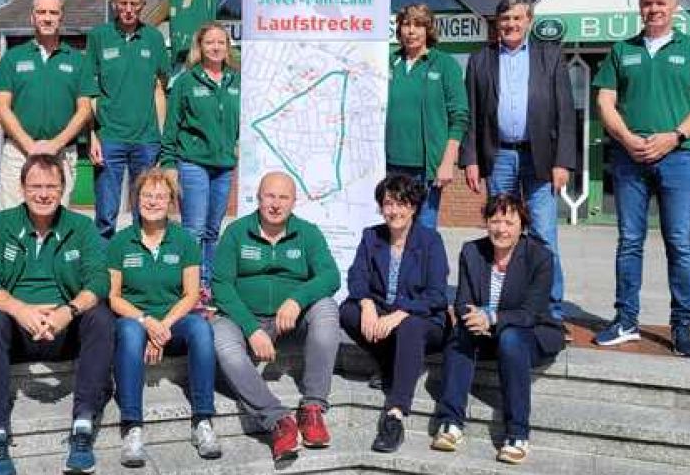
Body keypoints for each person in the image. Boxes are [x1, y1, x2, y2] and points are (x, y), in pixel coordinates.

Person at [592, 0, 690, 358]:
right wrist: (627, 138)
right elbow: (604, 101)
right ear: (639, 6)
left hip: (678, 158)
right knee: (629, 242)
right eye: (647, 3)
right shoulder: (622, 50)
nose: (653, 9)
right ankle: (626, 321)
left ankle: (682, 326)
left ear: (674, 7)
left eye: (661, 3)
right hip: (629, 158)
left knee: (679, 243)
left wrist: (675, 136)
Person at [0, 154, 113, 475]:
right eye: (35, 186)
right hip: (17, 327)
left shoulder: (81, 227)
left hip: (65, 327)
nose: (44, 194)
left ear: (64, 188)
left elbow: (99, 280)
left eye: (52, 186)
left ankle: (83, 425)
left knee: (101, 318)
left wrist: (68, 311)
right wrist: (19, 309)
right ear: (22, 188)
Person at [460, 0, 576, 325]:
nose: (510, 24)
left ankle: (550, 311)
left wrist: (563, 161)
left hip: (540, 156)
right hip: (499, 158)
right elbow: (472, 113)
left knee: (543, 235)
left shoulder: (550, 56)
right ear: (497, 23)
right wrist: (471, 159)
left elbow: (566, 113)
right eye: (505, 18)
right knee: (500, 230)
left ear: (528, 22)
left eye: (517, 18)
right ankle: (499, 304)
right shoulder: (480, 59)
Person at [210, 171, 341, 463]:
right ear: (258, 198)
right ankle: (278, 419)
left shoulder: (308, 233)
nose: (276, 204)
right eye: (270, 196)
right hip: (243, 318)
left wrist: (297, 300)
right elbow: (220, 285)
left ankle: (313, 409)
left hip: (290, 323)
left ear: (294, 202)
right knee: (222, 341)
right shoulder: (236, 232)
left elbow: (331, 276)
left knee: (327, 309)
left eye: (284, 197)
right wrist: (251, 328)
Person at [430, 194, 564, 465]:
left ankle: (517, 433)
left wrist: (490, 317)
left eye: (509, 222)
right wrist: (474, 317)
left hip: (529, 333)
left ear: (522, 225)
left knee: (511, 338)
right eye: (495, 220)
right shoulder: (472, 251)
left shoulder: (541, 257)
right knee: (460, 334)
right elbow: (463, 302)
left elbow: (531, 313)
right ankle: (450, 422)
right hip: (485, 331)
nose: (501, 228)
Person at [106, 168, 221, 467]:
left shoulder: (184, 241)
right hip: (135, 319)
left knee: (201, 329)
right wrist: (147, 322)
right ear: (136, 200)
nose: (153, 202)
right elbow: (114, 296)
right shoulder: (120, 242)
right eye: (147, 195)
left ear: (171, 202)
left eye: (160, 196)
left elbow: (192, 294)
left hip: (173, 320)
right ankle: (132, 427)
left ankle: (203, 421)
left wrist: (163, 327)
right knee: (130, 334)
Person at [339, 174, 449, 453]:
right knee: (348, 312)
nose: (394, 211)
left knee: (410, 327)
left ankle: (395, 414)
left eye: (402, 203)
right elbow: (357, 279)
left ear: (413, 207)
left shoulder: (430, 241)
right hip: (383, 315)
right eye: (388, 203)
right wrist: (366, 304)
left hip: (424, 321)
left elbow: (437, 296)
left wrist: (401, 312)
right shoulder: (371, 236)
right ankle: (390, 366)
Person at [0, 0, 96, 209]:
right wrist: (30, 146)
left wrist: (55, 144)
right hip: (18, 153)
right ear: (32, 17)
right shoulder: (13, 57)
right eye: (41, 12)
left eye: (53, 12)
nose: (47, 18)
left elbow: (85, 110)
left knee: (56, 221)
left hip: (62, 153)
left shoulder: (78, 60)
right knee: (12, 218)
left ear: (61, 17)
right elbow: (1, 108)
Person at [88, 0, 170, 239]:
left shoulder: (154, 39)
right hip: (108, 137)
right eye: (122, 3)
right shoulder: (99, 37)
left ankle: (138, 264)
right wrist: (92, 135)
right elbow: (88, 92)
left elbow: (159, 88)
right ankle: (102, 270)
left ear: (143, 5)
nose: (128, 9)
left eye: (134, 3)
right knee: (105, 213)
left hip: (146, 140)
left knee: (145, 210)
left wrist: (160, 136)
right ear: (114, 5)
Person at [160, 22, 240, 291]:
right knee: (193, 230)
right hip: (193, 162)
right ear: (200, 47)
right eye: (209, 42)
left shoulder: (237, 81)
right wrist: (169, 163)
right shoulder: (186, 81)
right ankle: (189, 288)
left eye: (221, 42)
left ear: (227, 47)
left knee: (213, 230)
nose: (215, 47)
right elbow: (171, 125)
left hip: (224, 166)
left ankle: (207, 285)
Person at [385, 3, 469, 229]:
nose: (411, 31)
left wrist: (447, 162)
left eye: (418, 25)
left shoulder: (445, 64)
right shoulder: (388, 63)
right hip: (389, 166)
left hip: (426, 169)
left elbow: (459, 117)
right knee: (394, 229)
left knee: (423, 232)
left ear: (428, 30)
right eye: (406, 24)